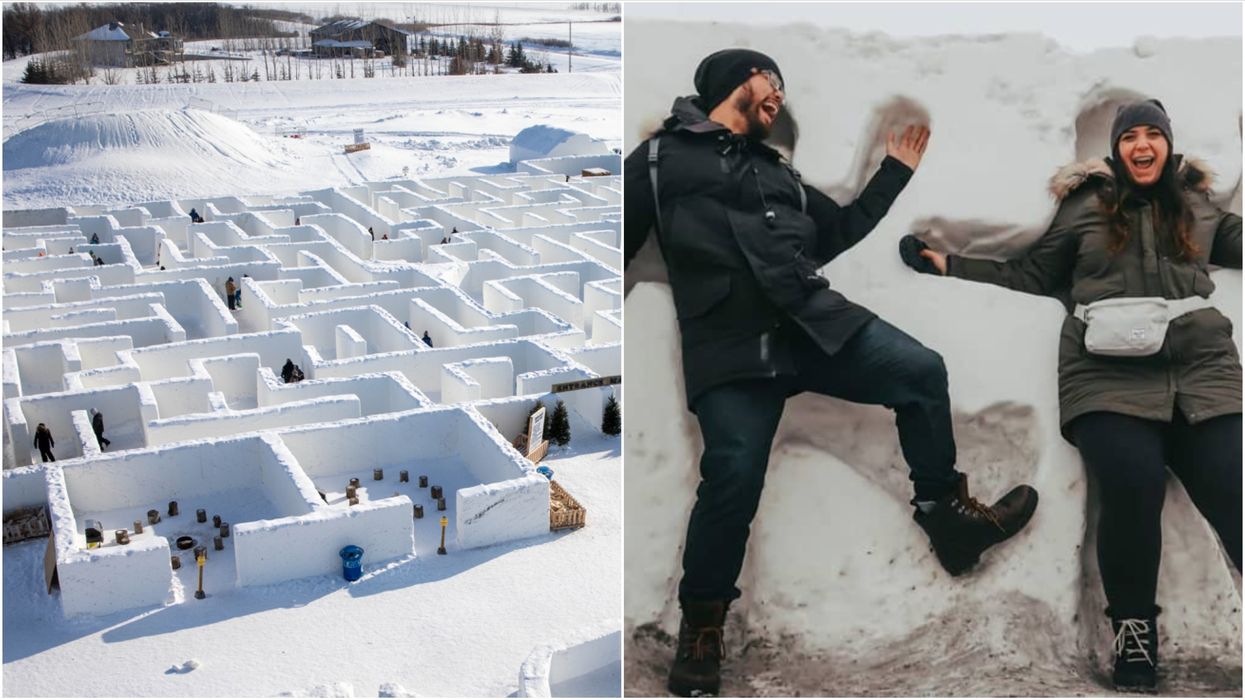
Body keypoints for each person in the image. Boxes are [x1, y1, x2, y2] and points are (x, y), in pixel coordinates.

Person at [625, 48, 1040, 697]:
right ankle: (701, 627)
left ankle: (946, 516)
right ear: (736, 79)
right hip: (729, 341)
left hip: (813, 322)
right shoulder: (657, 160)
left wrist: (892, 174)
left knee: (920, 371)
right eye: (771, 83)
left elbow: (834, 231)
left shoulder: (778, 174)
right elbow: (612, 244)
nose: (777, 97)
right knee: (731, 472)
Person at [901, 99, 1241, 691]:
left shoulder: (1195, 204)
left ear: (1167, 144)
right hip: (1106, 374)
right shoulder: (1087, 205)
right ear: (1114, 148)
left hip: (1201, 371)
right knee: (1132, 487)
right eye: (1130, 136)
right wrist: (948, 265)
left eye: (1152, 135)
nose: (1142, 146)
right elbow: (1032, 273)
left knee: (1235, 491)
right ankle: (1134, 633)